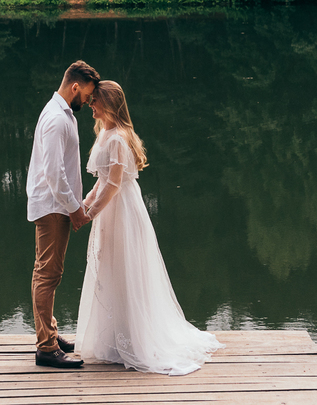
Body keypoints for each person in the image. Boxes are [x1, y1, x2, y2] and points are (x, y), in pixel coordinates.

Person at [76, 80, 223, 375]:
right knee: (111, 269)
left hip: (123, 212)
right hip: (110, 209)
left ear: (108, 103)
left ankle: (134, 341)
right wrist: (83, 204)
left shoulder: (118, 138)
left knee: (126, 270)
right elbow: (101, 181)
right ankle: (114, 340)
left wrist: (88, 215)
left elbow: (114, 185)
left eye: (94, 101)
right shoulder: (104, 133)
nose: (90, 105)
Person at [26, 60, 100, 369]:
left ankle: (50, 336)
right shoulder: (57, 119)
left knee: (47, 272)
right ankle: (46, 348)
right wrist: (75, 210)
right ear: (75, 87)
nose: (89, 100)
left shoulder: (61, 113)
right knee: (48, 274)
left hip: (56, 205)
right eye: (88, 94)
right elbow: (54, 174)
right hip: (54, 207)